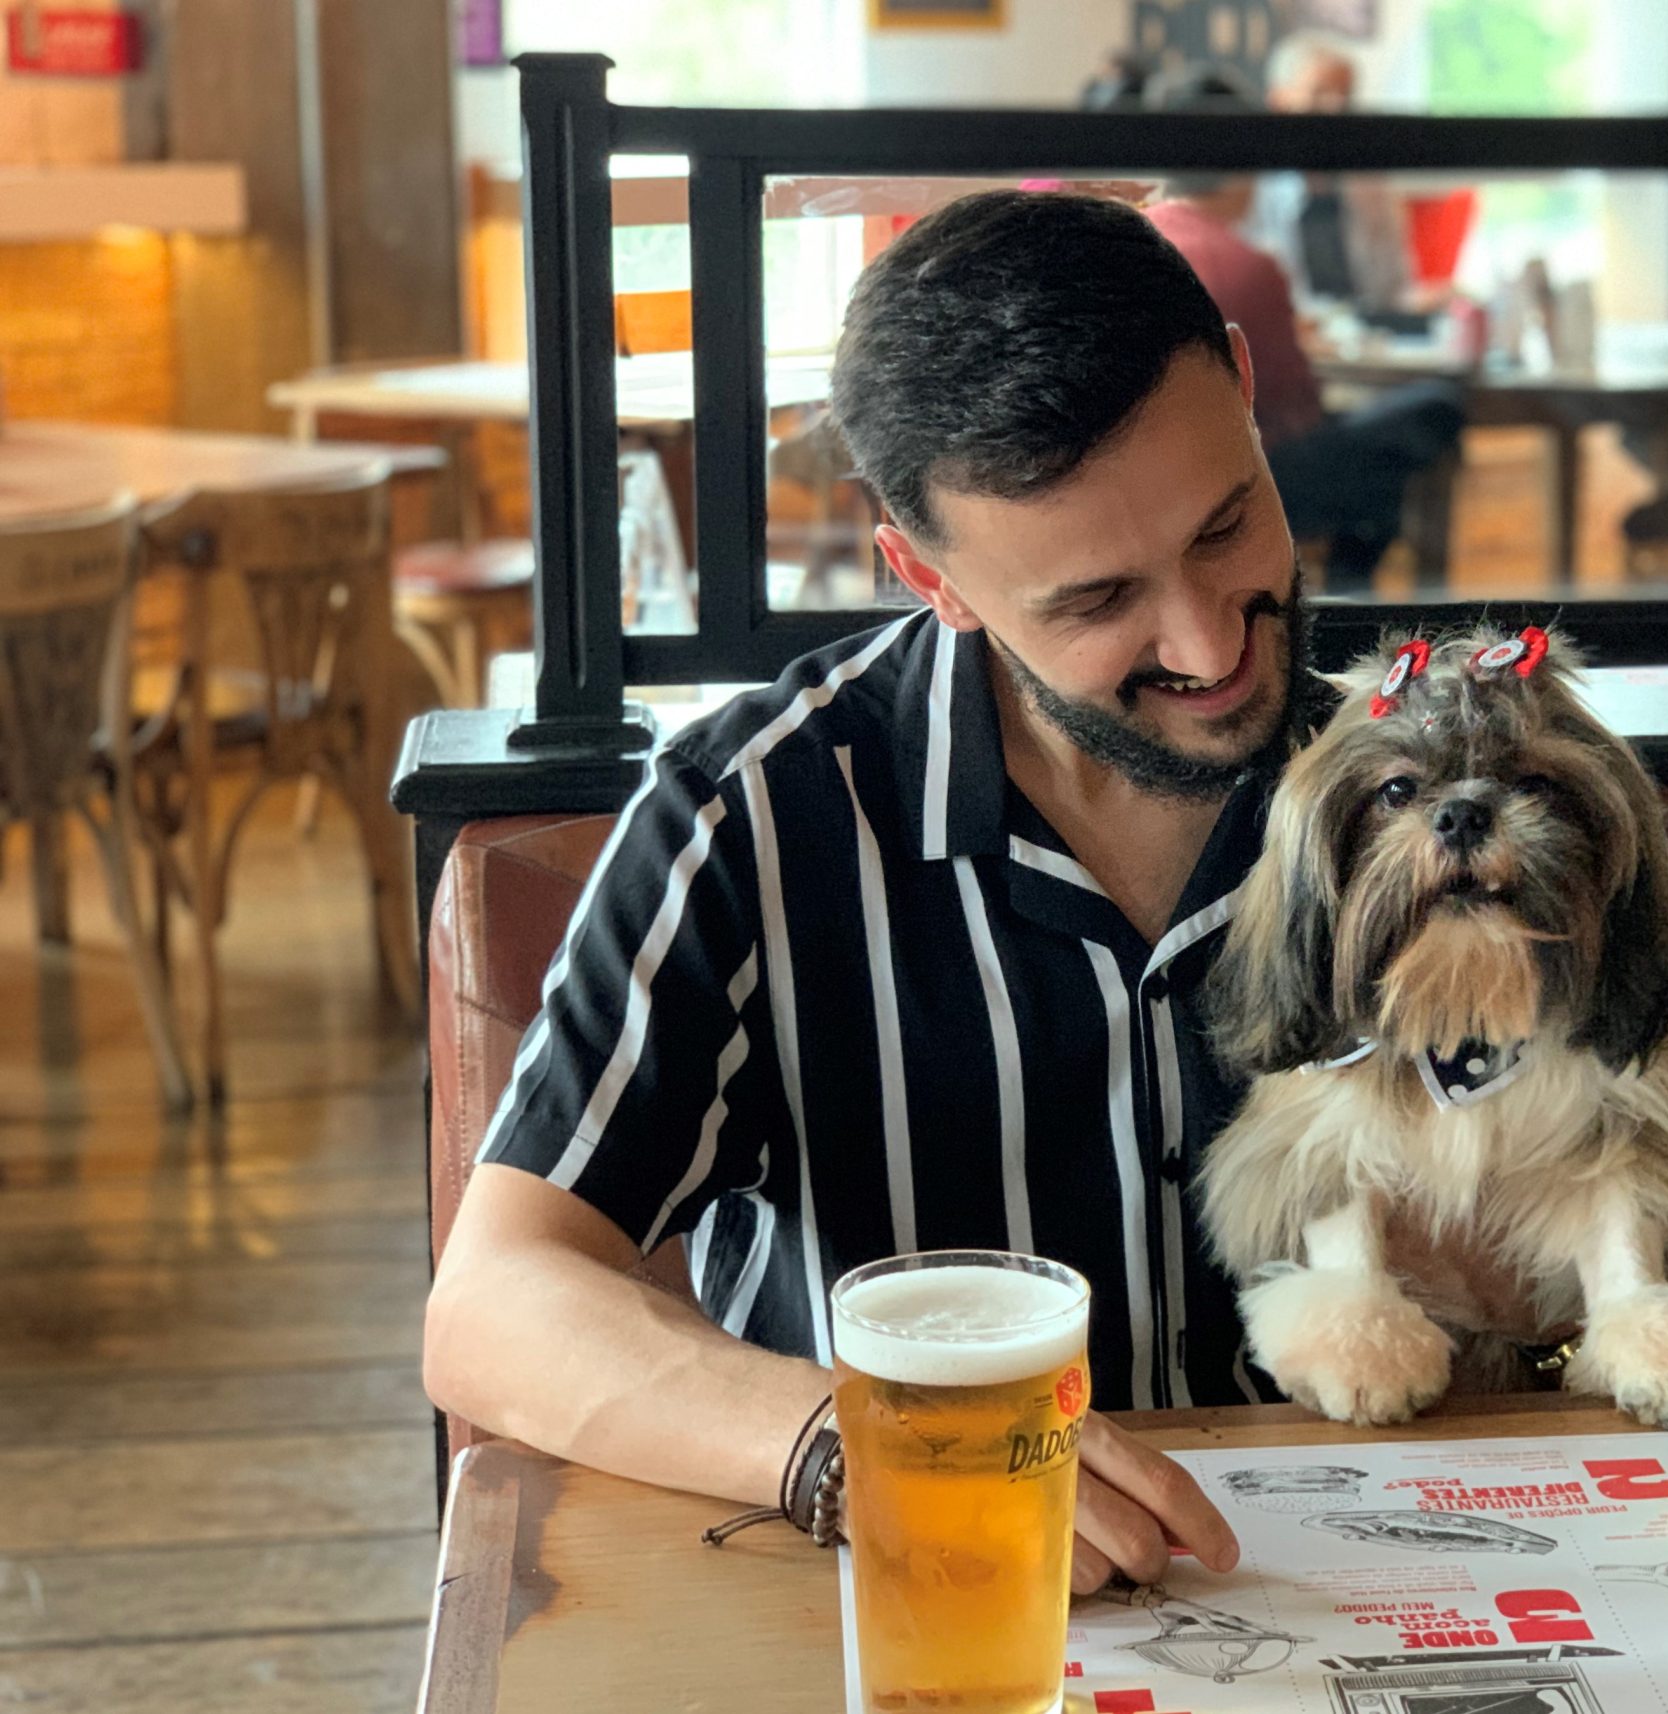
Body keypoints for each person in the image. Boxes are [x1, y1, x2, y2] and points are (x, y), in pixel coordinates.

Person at [422, 190, 1537, 1594]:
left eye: (1225, 525)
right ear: (923, 573)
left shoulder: (1426, 798)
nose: (1207, 641)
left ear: (1250, 395)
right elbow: (494, 1301)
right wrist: (874, 1451)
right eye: (1094, 601)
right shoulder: (764, 812)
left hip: (1366, 1588)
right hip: (922, 1608)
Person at [1145, 70, 1463, 590]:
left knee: (1378, 446)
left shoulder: (1144, 239)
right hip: (1257, 473)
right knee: (1433, 411)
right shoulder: (1245, 266)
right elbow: (1298, 407)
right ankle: (1352, 595)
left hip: (1169, 473)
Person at [1246, 31, 1418, 316]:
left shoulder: (1370, 184)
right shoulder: (1250, 188)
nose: (1335, 108)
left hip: (1366, 345)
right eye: (1319, 93)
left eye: (1345, 96)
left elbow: (1396, 288)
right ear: (1279, 101)